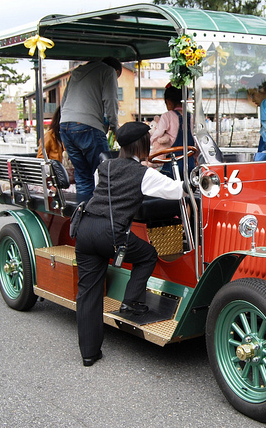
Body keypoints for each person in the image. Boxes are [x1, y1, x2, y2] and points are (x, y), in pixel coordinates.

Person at [74, 121, 185, 367]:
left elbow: (100, 193)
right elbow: (177, 191)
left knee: (88, 292)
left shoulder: (103, 166)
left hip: (85, 228)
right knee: (147, 255)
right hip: (110, 234)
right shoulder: (144, 174)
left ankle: (89, 353)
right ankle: (131, 302)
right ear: (143, 144)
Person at [60, 57, 122, 203]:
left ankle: (84, 215)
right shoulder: (109, 71)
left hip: (65, 126)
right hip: (88, 126)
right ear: (117, 71)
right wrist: (115, 128)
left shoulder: (77, 72)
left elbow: (63, 103)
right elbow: (111, 101)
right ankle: (103, 216)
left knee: (83, 176)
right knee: (105, 175)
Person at [148, 84, 195, 178]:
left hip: (173, 164)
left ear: (168, 102)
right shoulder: (192, 117)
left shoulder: (167, 116)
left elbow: (157, 134)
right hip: (190, 163)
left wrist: (151, 142)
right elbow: (196, 140)